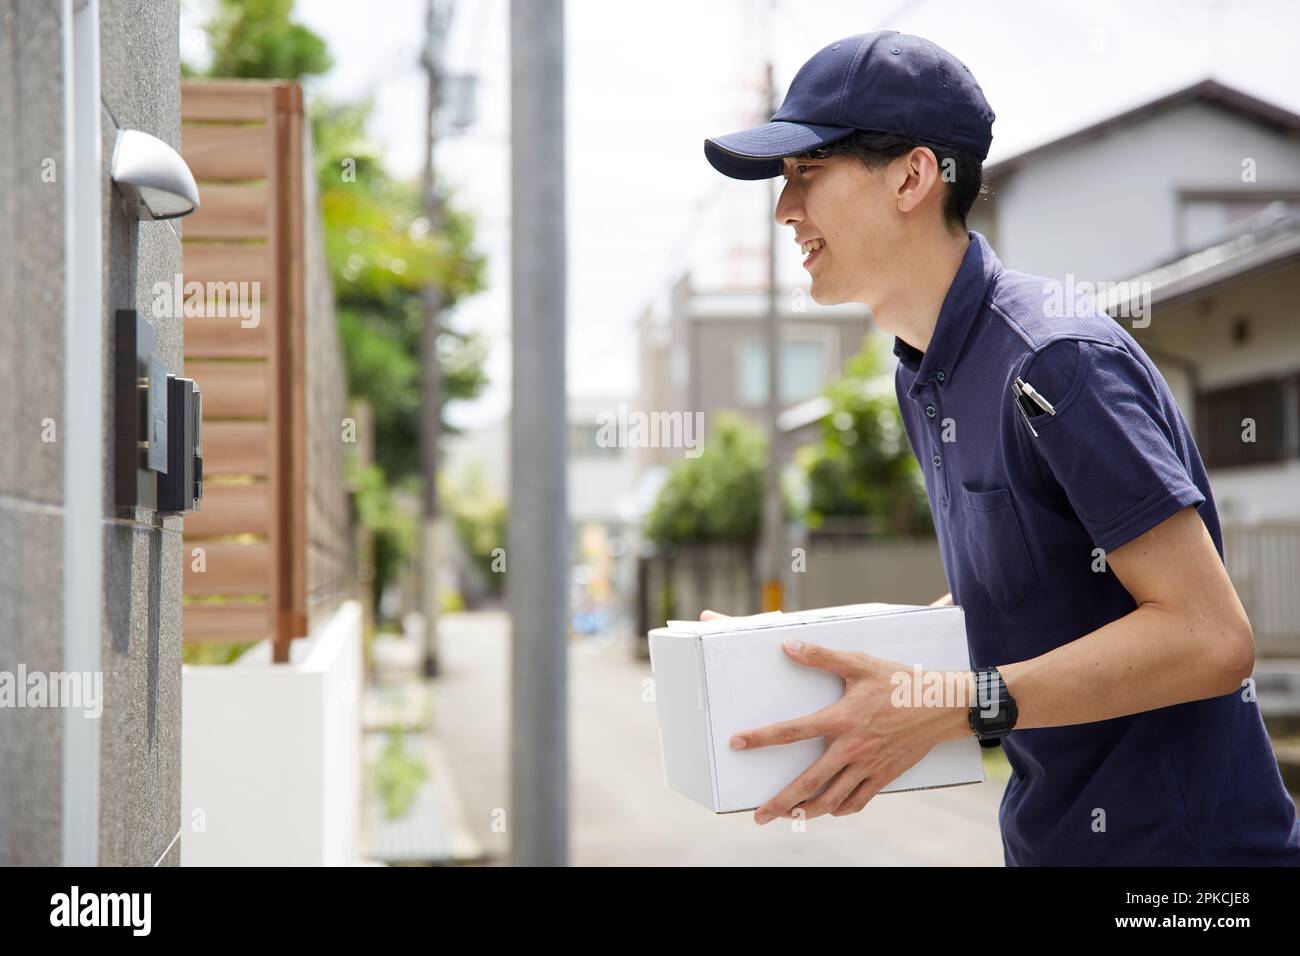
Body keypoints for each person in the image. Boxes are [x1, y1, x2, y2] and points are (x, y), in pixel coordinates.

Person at [700, 30, 1300, 865]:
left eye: (808, 172)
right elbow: (1019, 601)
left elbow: (1210, 637)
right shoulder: (924, 373)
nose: (785, 210)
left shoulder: (1055, 362)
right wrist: (780, 661)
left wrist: (955, 705)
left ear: (912, 176)